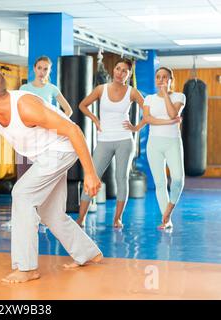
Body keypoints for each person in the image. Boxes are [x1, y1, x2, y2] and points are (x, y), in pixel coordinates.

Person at [0, 68, 103, 284]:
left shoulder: (25, 106)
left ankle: (27, 268)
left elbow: (74, 130)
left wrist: (90, 173)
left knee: (22, 194)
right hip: (43, 156)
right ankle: (88, 253)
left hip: (62, 149)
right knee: (49, 212)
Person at [77, 59, 145, 228]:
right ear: (113, 69)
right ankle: (81, 218)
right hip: (104, 140)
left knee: (121, 178)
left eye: (124, 71)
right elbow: (82, 105)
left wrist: (136, 127)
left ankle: (117, 219)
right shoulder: (101, 89)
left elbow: (148, 111)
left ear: (129, 75)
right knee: (92, 178)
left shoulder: (132, 92)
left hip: (124, 140)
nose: (119, 72)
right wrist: (95, 119)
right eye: (117, 68)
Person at [14, 56, 74, 182]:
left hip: (45, 137)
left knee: (44, 174)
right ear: (35, 69)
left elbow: (68, 110)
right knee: (23, 174)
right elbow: (17, 110)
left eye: (45, 69)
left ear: (49, 71)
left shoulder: (52, 88)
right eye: (39, 68)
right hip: (26, 136)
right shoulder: (24, 89)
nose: (42, 72)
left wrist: (55, 124)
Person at [143, 67, 185, 229]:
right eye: (158, 77)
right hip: (154, 143)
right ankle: (166, 219)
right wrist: (169, 122)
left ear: (170, 80)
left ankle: (168, 211)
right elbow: (147, 119)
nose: (161, 80)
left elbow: (173, 114)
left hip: (172, 142)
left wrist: (166, 93)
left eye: (164, 77)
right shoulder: (149, 99)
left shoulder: (180, 96)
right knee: (160, 183)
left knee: (178, 179)